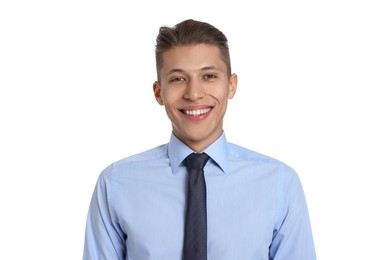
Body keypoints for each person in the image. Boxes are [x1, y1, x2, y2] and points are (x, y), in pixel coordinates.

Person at [83, 19, 316, 260]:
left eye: (209, 76)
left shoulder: (279, 184)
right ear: (158, 92)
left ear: (231, 85)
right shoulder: (116, 184)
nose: (194, 94)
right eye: (177, 79)